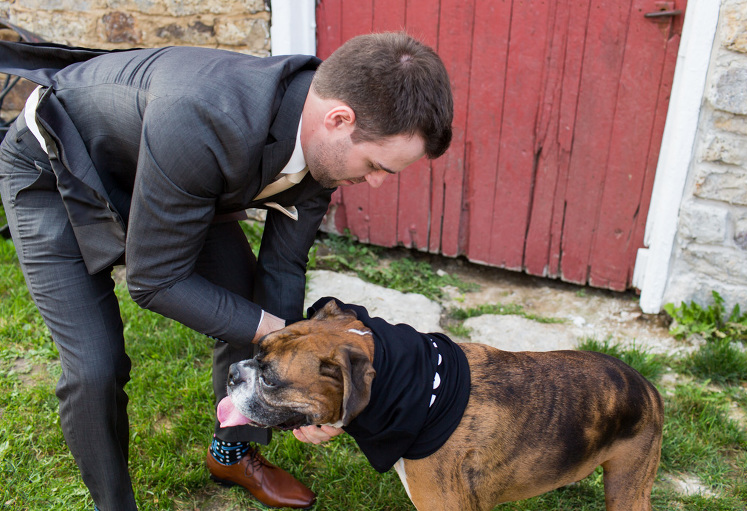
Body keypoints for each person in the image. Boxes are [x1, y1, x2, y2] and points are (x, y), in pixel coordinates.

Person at [0, 32, 453, 510]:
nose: (377, 182)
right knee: (96, 366)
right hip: (56, 168)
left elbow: (282, 267)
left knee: (252, 315)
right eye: (377, 165)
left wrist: (290, 380)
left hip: (175, 175)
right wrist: (275, 336)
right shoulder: (206, 118)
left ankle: (231, 453)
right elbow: (156, 280)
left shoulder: (327, 148)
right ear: (339, 120)